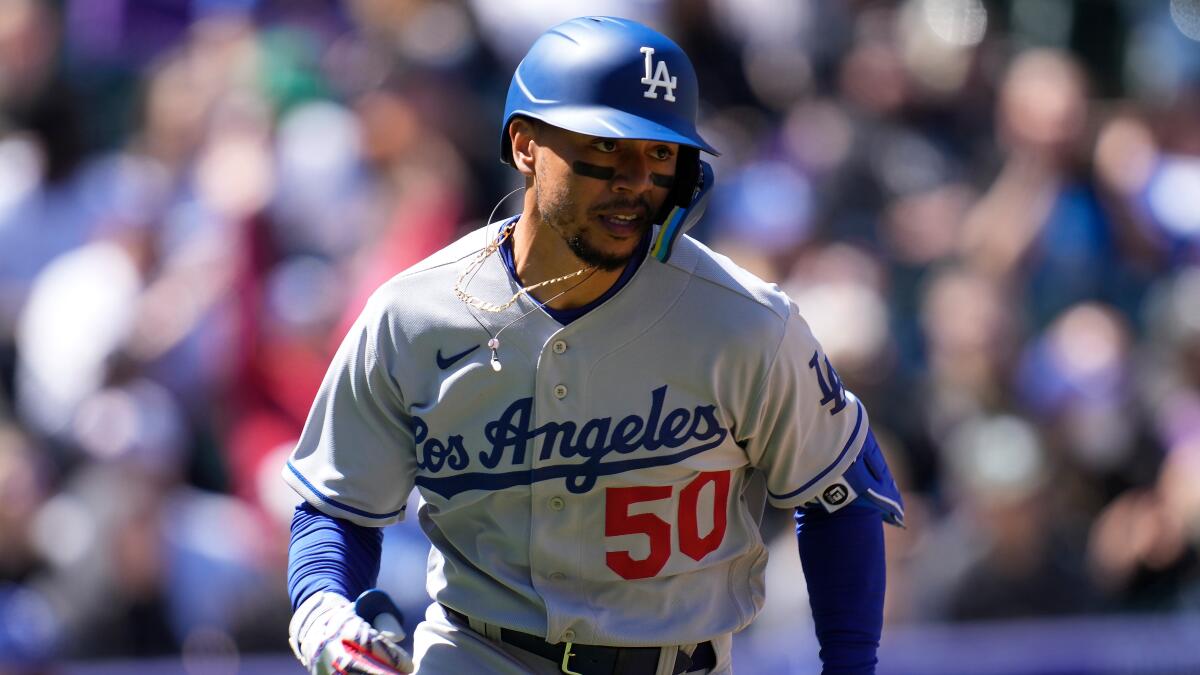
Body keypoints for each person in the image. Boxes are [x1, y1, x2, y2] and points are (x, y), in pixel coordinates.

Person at [283, 16, 904, 675]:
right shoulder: (413, 315)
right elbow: (336, 506)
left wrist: (849, 664)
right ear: (524, 145)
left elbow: (839, 494)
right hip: (478, 654)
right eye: (607, 147)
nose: (635, 179)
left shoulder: (745, 321)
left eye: (660, 153)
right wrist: (323, 604)